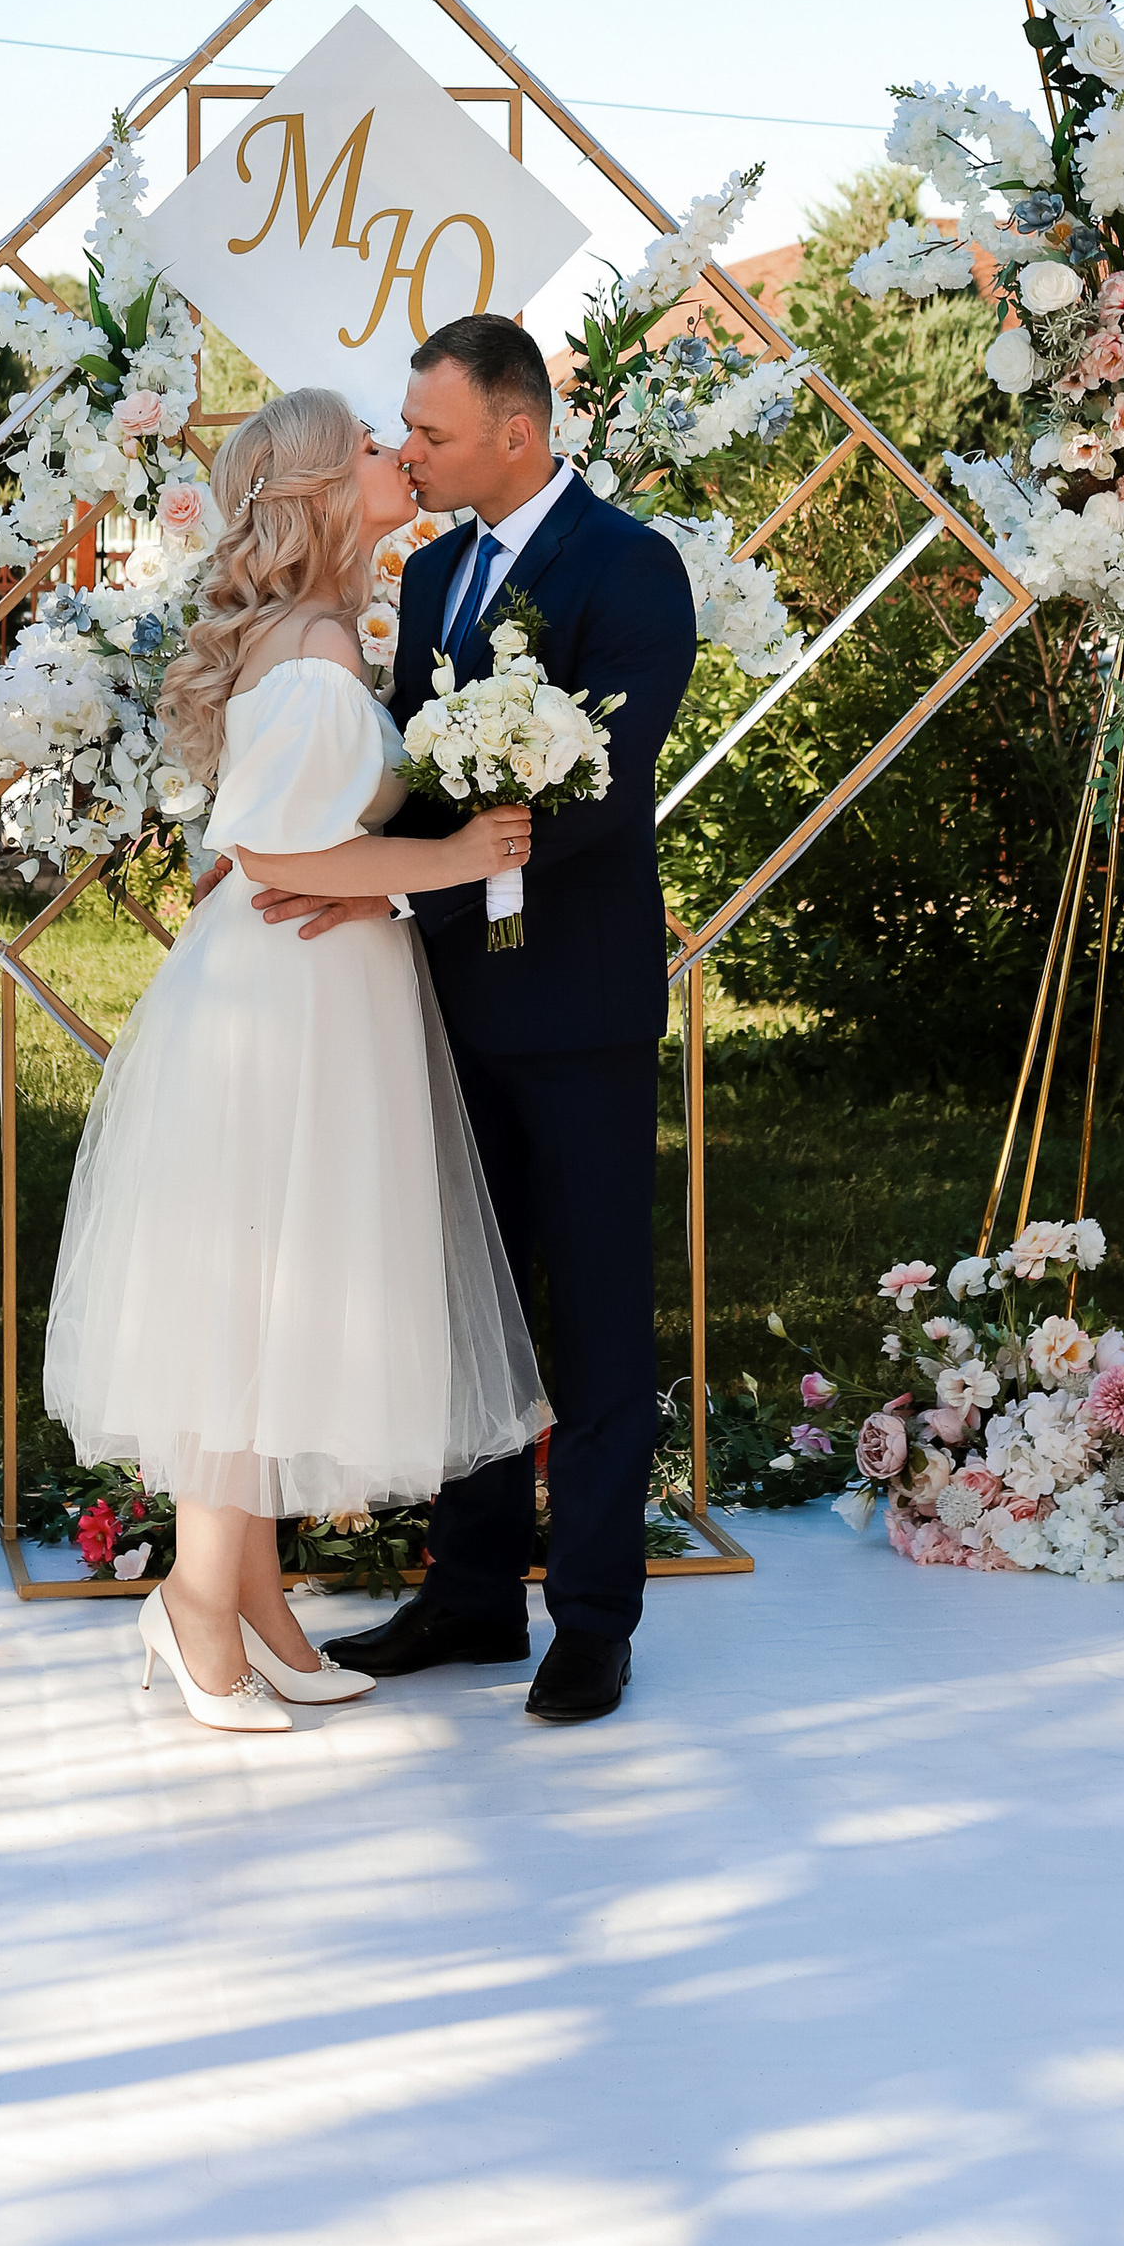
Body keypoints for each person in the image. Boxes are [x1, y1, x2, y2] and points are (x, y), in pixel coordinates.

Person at [41, 385, 549, 1736]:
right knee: (253, 1297)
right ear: (325, 490)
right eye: (375, 448)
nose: (399, 457)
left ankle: (256, 1604)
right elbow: (270, 849)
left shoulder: (314, 631)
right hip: (291, 1009)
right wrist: (448, 858)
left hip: (311, 989)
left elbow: (258, 831)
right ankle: (197, 1605)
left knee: (278, 1284)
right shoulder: (318, 643)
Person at [249, 315, 698, 1726]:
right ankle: (470, 1591)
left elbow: (603, 794)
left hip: (578, 1005)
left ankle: (594, 1619)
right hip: (442, 998)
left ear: (520, 429)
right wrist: (343, 868)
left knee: (597, 1320)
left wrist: (419, 885)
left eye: (431, 433)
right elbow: (406, 775)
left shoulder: (632, 568)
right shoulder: (432, 570)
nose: (414, 452)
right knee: (466, 1308)